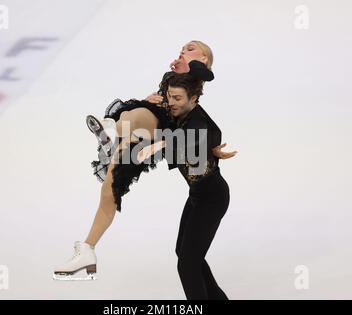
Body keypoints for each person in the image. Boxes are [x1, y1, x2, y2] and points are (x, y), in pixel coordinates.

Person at [53, 41, 235, 281]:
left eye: (190, 48)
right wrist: (156, 96)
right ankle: (88, 249)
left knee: (138, 115)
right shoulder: (171, 78)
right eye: (182, 48)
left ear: (203, 60)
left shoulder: (197, 81)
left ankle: (114, 134)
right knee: (111, 186)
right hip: (146, 134)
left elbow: (204, 90)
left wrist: (189, 67)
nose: (183, 50)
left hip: (164, 133)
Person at [137, 72, 238, 299]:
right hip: (198, 196)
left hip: (213, 198)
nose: (171, 103)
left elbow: (192, 138)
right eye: (170, 96)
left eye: (178, 98)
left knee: (187, 265)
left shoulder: (198, 123)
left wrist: (160, 144)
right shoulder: (177, 109)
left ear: (194, 100)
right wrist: (149, 101)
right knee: (184, 254)